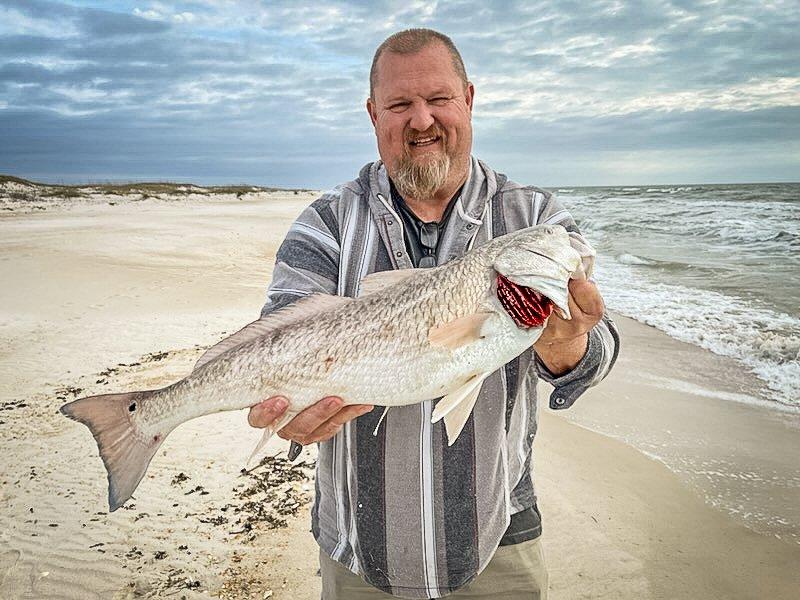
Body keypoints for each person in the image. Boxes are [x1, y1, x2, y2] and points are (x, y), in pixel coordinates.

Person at [247, 28, 619, 599]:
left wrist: (566, 346)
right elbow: (284, 334)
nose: (422, 121)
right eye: (400, 105)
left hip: (500, 536)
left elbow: (601, 350)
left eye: (438, 100)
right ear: (374, 114)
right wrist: (290, 415)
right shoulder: (324, 224)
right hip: (358, 545)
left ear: (468, 99)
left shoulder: (536, 218)